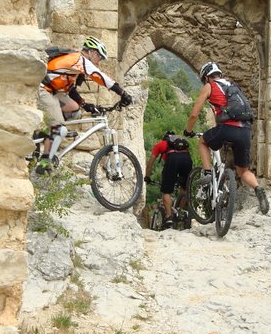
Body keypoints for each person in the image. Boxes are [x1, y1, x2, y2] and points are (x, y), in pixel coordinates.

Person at [183, 61, 269, 215]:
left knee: (203, 142)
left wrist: (188, 130)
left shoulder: (210, 86)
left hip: (226, 128)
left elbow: (194, 114)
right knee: (243, 171)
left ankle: (208, 173)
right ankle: (258, 189)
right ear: (219, 74)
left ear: (206, 78)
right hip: (245, 131)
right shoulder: (233, 87)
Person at [36, 36, 132, 173]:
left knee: (75, 110)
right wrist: (122, 93)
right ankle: (44, 163)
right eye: (100, 57)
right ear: (93, 53)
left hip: (55, 91)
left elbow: (71, 90)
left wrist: (85, 104)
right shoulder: (78, 59)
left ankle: (47, 133)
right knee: (59, 129)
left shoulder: (76, 67)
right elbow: (100, 77)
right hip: (44, 89)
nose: (99, 62)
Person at [144, 131, 193, 228]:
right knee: (186, 188)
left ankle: (169, 216)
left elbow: (150, 163)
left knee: (166, 191)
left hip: (173, 160)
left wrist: (147, 176)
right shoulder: (183, 145)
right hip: (187, 159)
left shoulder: (160, 144)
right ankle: (181, 212)